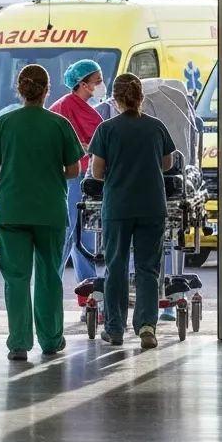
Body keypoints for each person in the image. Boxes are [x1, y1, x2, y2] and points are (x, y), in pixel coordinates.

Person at [0, 64, 83, 361]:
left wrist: (17, 177)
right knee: (49, 276)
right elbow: (74, 169)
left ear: (20, 89)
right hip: (49, 210)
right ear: (46, 90)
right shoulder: (59, 124)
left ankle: (19, 343)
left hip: (12, 210)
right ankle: (51, 340)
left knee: (16, 278)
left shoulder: (5, 123)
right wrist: (46, 175)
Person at [88, 74, 176, 349]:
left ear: (115, 100)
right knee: (148, 268)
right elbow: (167, 164)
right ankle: (147, 327)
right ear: (141, 98)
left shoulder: (106, 129)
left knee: (116, 267)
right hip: (151, 205)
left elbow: (97, 172)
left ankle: (114, 329)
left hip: (118, 206)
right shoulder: (156, 127)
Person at [48, 59, 105, 289]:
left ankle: (87, 290)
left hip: (85, 177)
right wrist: (86, 146)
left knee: (81, 237)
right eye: (97, 82)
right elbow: (70, 145)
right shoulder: (65, 107)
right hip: (74, 178)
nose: (101, 86)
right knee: (73, 233)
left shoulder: (84, 109)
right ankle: (53, 284)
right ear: (83, 84)